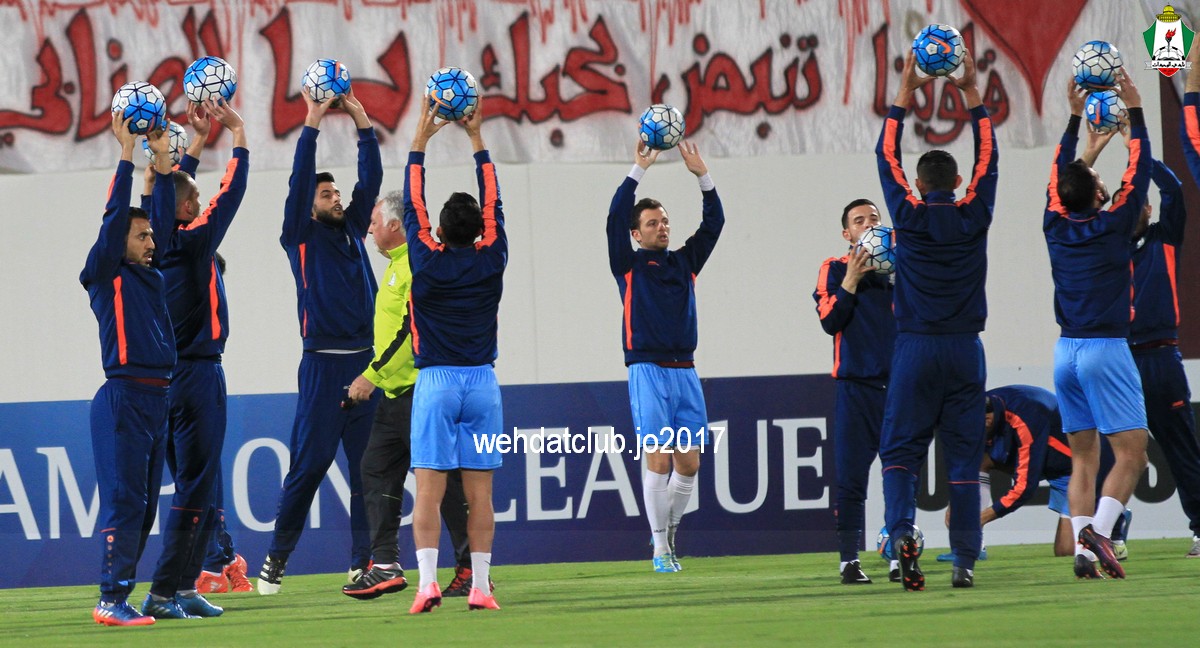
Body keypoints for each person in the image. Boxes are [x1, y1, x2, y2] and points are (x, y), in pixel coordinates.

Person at [875, 50, 996, 591]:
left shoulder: (907, 215)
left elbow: (886, 157)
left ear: (919, 186)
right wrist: (972, 94)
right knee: (965, 462)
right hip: (965, 349)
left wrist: (904, 94)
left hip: (916, 348)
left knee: (900, 454)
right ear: (960, 181)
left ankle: (903, 534)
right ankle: (965, 561)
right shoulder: (976, 214)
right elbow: (991, 159)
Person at [258, 87, 382, 594]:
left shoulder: (353, 229)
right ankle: (276, 558)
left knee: (368, 473)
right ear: (308, 207)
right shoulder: (300, 234)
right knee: (308, 469)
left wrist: (361, 120)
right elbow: (298, 180)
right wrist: (311, 121)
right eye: (326, 194)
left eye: (336, 193)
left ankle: (362, 563)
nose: (336, 198)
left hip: (367, 366)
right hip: (322, 367)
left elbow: (371, 178)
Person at [136, 98, 248, 618]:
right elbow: (231, 193)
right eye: (195, 201)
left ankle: (181, 588)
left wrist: (195, 145)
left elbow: (170, 194)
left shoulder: (159, 241)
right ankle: (166, 591)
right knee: (198, 488)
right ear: (186, 211)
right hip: (199, 374)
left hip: (166, 376)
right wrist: (238, 136)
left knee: (190, 486)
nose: (202, 205)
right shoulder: (197, 241)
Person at [1043, 69, 1150, 580]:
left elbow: (1059, 180)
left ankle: (1085, 555)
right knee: (1132, 454)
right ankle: (1100, 533)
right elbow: (1140, 167)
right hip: (1106, 348)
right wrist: (1136, 112)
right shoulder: (1114, 225)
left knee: (1083, 459)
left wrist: (1077, 129)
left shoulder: (1054, 225)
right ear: (1098, 195)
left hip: (1065, 352)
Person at [403, 101, 505, 613]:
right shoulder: (493, 258)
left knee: (429, 492)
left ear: (439, 233)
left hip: (437, 383)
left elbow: (411, 203)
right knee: (480, 495)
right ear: (480, 231)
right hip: (482, 385)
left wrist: (421, 140)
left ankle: (427, 584)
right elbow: (495, 203)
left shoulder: (425, 259)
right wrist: (476, 138)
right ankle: (481, 587)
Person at [607, 137, 724, 574]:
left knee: (689, 463)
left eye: (665, 221)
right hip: (647, 369)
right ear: (636, 234)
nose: (663, 227)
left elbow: (715, 222)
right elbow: (613, 218)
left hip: (685, 370)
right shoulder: (628, 264)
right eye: (653, 223)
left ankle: (668, 532)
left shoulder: (684, 262)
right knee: (657, 458)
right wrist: (638, 170)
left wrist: (702, 176)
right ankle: (659, 549)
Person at [82, 116, 176, 626]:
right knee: (125, 503)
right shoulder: (105, 273)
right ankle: (109, 599)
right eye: (141, 236)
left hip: (158, 398)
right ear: (118, 241)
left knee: (144, 509)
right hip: (124, 397)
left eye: (150, 236)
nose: (151, 242)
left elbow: (159, 218)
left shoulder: (151, 276)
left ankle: (121, 595)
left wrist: (160, 161)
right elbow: (117, 215)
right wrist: (125, 154)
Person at [935, 385, 1127, 568]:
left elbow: (1025, 487)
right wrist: (959, 501)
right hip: (1050, 462)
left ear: (987, 421)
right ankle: (974, 544)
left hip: (1081, 470)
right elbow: (968, 461)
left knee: (1066, 550)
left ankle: (1113, 515)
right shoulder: (979, 411)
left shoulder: (1025, 418)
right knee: (980, 461)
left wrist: (981, 518)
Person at [813, 199, 898, 584]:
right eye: (859, 221)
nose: (869, 225)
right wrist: (851, 280)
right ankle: (849, 561)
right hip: (855, 388)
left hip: (897, 388)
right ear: (847, 234)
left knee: (899, 475)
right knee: (851, 479)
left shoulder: (901, 270)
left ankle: (900, 555)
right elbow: (830, 321)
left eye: (874, 219)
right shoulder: (833, 269)